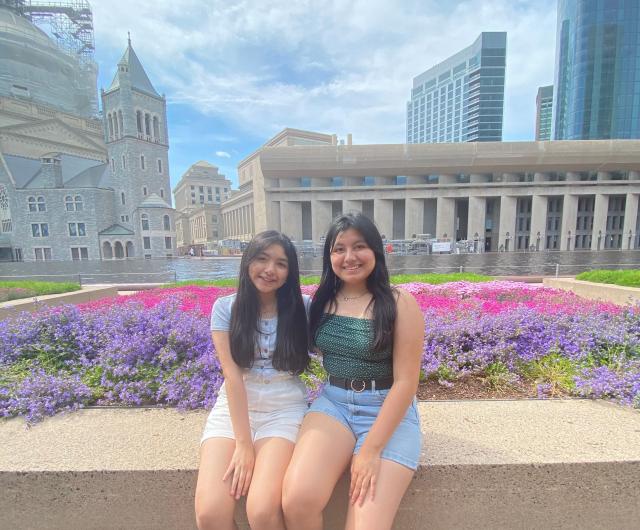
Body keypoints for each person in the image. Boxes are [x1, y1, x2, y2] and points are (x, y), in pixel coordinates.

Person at [282, 213, 424, 530]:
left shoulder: (400, 304)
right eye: (339, 248)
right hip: (334, 404)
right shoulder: (321, 301)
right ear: (329, 256)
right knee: (297, 500)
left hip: (388, 407)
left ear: (375, 250)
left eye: (359, 246)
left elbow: (406, 382)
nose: (349, 257)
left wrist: (370, 450)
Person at [195, 230, 310, 530]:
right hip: (233, 409)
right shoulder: (226, 308)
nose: (270, 270)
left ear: (290, 271)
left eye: (281, 263)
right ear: (248, 262)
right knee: (210, 514)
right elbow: (232, 376)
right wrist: (243, 445)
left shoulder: (304, 308)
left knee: (261, 510)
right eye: (262, 259)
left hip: (284, 409)